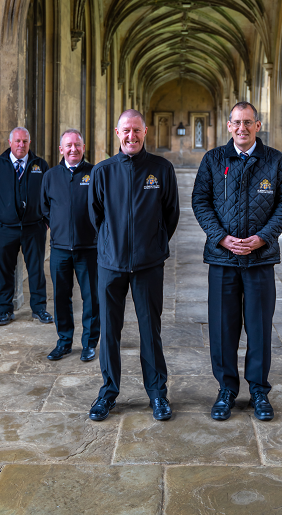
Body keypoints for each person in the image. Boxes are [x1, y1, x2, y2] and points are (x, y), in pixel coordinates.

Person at [192, 101, 282, 422]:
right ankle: (226, 389)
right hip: (222, 258)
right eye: (237, 122)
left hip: (260, 259)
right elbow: (200, 200)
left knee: (260, 327)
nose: (242, 128)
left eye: (248, 122)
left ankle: (259, 391)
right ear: (228, 125)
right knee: (223, 327)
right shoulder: (213, 159)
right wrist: (220, 237)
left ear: (258, 126)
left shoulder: (275, 161)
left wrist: (263, 237)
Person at [88, 110, 179, 422]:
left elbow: (171, 214)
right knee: (109, 332)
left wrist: (152, 243)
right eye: (126, 131)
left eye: (137, 131)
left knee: (149, 331)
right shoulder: (102, 172)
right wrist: (112, 245)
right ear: (117, 132)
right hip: (110, 264)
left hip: (148, 264)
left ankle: (157, 394)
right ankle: (108, 393)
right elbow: (95, 216)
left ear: (146, 131)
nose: (131, 136)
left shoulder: (162, 169)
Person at [0, 127, 53, 326]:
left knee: (36, 269)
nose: (21, 145)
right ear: (10, 142)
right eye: (18, 141)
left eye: (25, 142)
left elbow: (50, 195)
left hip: (34, 228)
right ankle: (5, 310)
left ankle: (39, 309)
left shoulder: (40, 165)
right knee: (5, 270)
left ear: (29, 143)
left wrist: (46, 221)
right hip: (5, 229)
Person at [41, 129, 100, 362]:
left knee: (92, 299)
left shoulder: (95, 173)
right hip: (59, 250)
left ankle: (89, 344)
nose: (73, 149)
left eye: (77, 145)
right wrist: (58, 228)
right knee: (61, 298)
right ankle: (64, 342)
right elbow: (44, 208)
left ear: (83, 147)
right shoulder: (50, 176)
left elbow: (102, 207)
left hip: (89, 249)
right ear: (61, 149)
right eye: (68, 145)